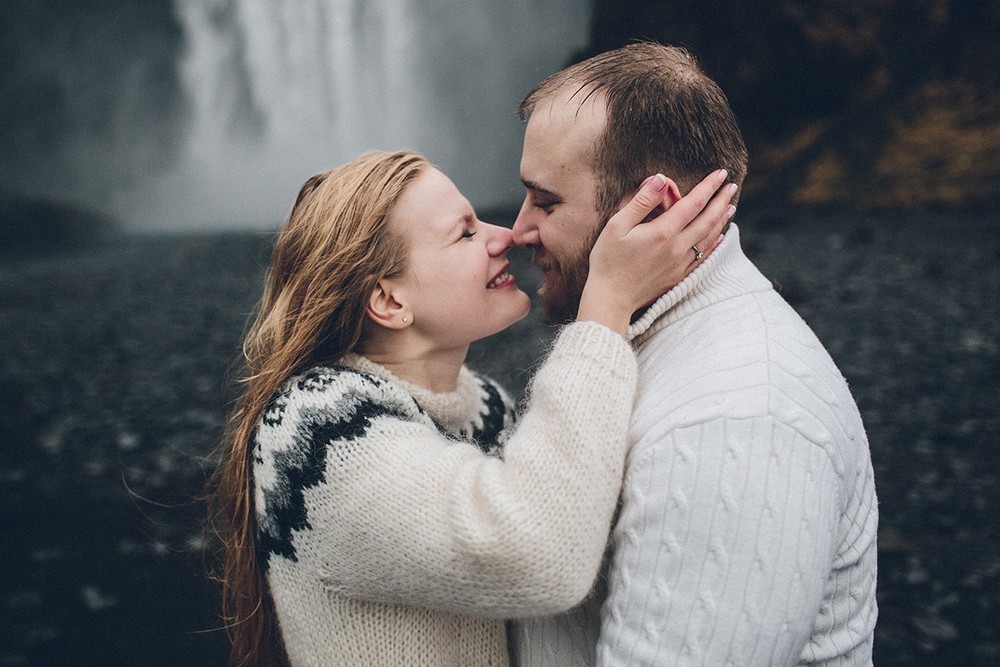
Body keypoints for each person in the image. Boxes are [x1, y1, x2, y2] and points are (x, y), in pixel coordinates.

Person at [207, 149, 737, 666]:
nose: (504, 235)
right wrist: (608, 302)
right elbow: (540, 554)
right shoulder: (316, 430)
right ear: (390, 301)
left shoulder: (483, 405)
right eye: (465, 232)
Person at [510, 42, 878, 666]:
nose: (517, 231)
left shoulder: (734, 423)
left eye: (546, 202)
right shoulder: (634, 338)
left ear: (656, 210)